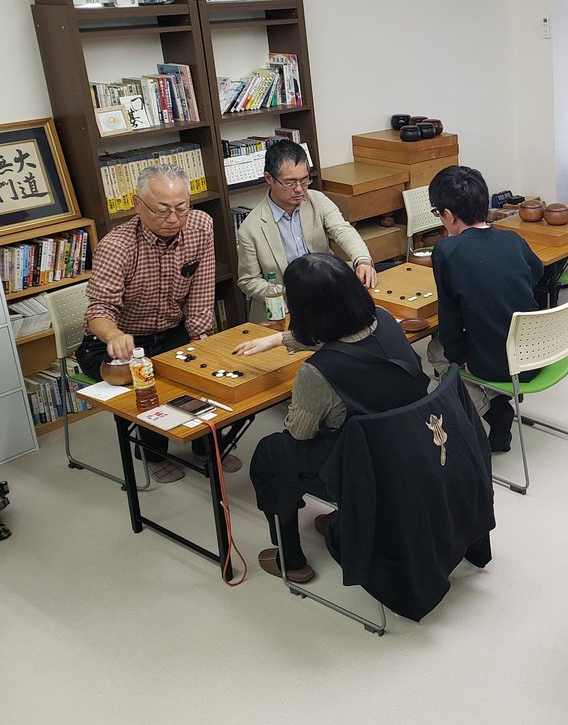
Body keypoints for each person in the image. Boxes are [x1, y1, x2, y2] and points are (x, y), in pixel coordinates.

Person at [235, 253, 429, 583]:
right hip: (410, 450)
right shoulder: (383, 320)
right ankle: (347, 516)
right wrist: (278, 339)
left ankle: (291, 558)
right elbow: (343, 337)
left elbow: (298, 436)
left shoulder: (317, 373)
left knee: (272, 454)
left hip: (362, 473)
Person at [77, 163, 232, 483]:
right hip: (119, 341)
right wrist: (115, 335)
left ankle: (205, 444)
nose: (174, 219)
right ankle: (150, 451)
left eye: (181, 208)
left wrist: (202, 345)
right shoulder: (117, 246)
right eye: (162, 210)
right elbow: (98, 312)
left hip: (172, 330)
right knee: (148, 380)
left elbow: (202, 294)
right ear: (137, 204)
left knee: (202, 373)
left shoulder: (201, 226)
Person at [426, 165, 543, 453]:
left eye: (438, 214)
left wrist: (461, 357)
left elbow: (449, 322)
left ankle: (488, 409)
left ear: (449, 215)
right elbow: (537, 271)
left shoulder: (446, 252)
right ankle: (497, 398)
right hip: (538, 353)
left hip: (502, 363)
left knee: (435, 350)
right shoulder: (512, 239)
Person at [235, 140, 376, 323]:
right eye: (290, 183)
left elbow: (342, 230)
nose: (300, 189)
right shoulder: (250, 227)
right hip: (286, 306)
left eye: (304, 180)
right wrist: (281, 294)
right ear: (269, 178)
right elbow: (248, 280)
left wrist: (362, 260)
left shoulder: (317, 200)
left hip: (327, 292)